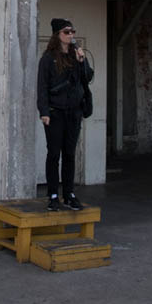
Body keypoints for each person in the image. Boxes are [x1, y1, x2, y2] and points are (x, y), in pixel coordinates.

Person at [37, 17, 94, 212]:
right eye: (66, 32)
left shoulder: (75, 56)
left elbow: (87, 77)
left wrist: (81, 61)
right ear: (57, 35)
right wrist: (44, 111)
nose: (71, 35)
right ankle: (53, 195)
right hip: (54, 112)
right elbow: (42, 87)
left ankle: (69, 193)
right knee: (54, 154)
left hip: (73, 112)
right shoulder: (48, 59)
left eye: (72, 31)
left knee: (69, 153)